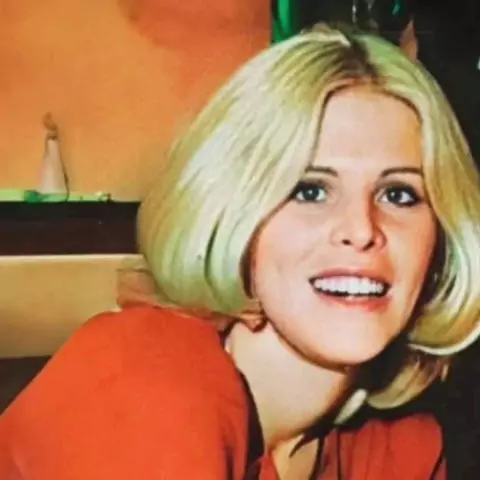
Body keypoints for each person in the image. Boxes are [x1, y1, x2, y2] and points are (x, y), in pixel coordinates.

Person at [1, 23, 480, 479]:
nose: (361, 230)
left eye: (399, 194)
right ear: (233, 213)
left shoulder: (399, 449)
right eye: (310, 190)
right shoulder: (147, 381)